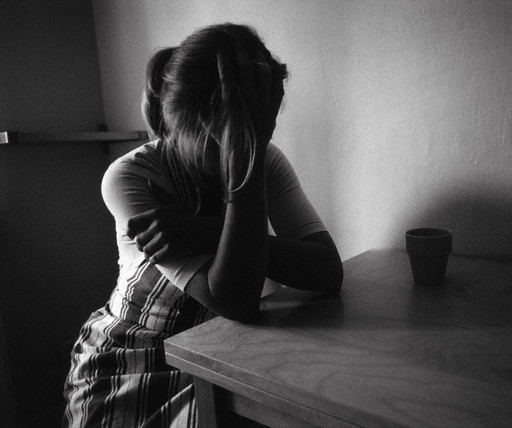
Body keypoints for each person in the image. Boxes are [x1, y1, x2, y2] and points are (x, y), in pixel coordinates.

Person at [63, 23, 343, 427]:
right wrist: (244, 165)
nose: (238, 148)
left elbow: (327, 270)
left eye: (254, 130)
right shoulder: (131, 177)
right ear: (183, 124)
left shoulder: (264, 160)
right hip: (135, 356)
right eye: (225, 136)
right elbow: (235, 299)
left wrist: (203, 229)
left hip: (225, 347)